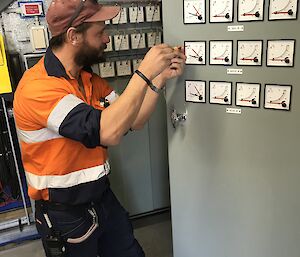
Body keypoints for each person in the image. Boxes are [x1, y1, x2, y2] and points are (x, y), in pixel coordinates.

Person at [13, 0, 186, 256]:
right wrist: (143, 73)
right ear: (73, 36)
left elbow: (133, 120)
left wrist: (158, 78)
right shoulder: (38, 88)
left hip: (102, 198)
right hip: (64, 213)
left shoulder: (88, 80)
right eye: (100, 33)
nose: (106, 39)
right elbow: (107, 132)